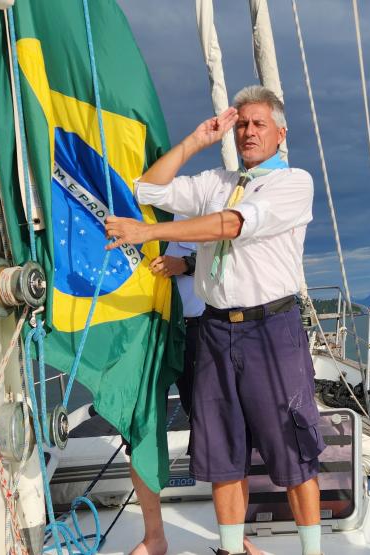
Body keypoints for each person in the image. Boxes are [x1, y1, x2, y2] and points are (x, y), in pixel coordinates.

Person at [105, 85, 325, 555]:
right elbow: (147, 187)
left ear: (280, 133)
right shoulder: (215, 183)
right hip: (213, 327)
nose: (248, 131)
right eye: (242, 123)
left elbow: (233, 224)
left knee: (294, 450)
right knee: (223, 452)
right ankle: (228, 549)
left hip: (272, 329)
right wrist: (195, 141)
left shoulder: (293, 183)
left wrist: (150, 231)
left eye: (258, 123)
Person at [149, 217, 204, 416]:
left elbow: (222, 257)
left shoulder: (194, 211)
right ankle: (144, 447)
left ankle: (200, 447)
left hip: (192, 329)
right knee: (148, 404)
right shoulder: (133, 214)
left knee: (199, 404)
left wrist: (185, 264)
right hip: (148, 330)